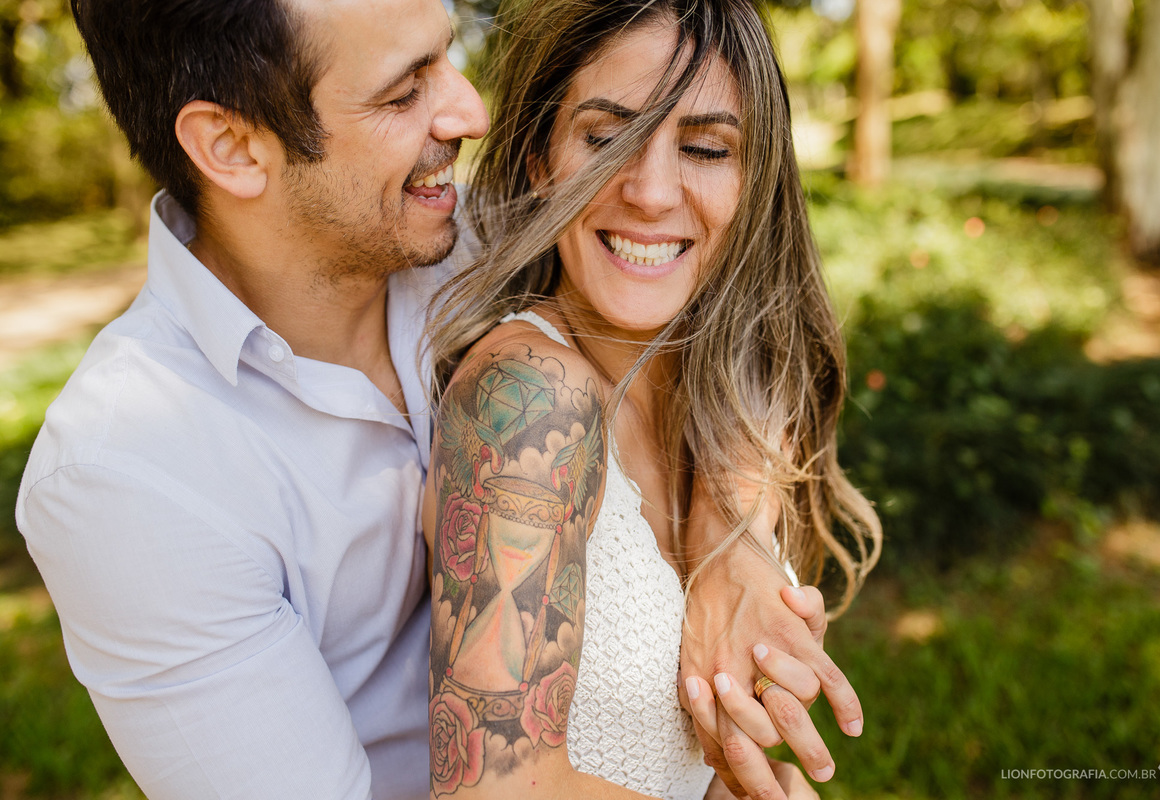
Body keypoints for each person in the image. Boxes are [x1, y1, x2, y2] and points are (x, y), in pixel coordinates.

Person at [15, 0, 865, 798]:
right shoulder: (129, 476)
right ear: (233, 146)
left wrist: (730, 537)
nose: (471, 114)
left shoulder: (478, 230)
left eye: (447, 56)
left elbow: (733, 303)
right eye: (403, 91)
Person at [422, 0, 882, 798]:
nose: (651, 190)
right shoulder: (529, 399)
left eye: (705, 148)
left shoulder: (736, 395)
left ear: (754, 180)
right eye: (606, 139)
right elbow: (494, 790)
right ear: (539, 159)